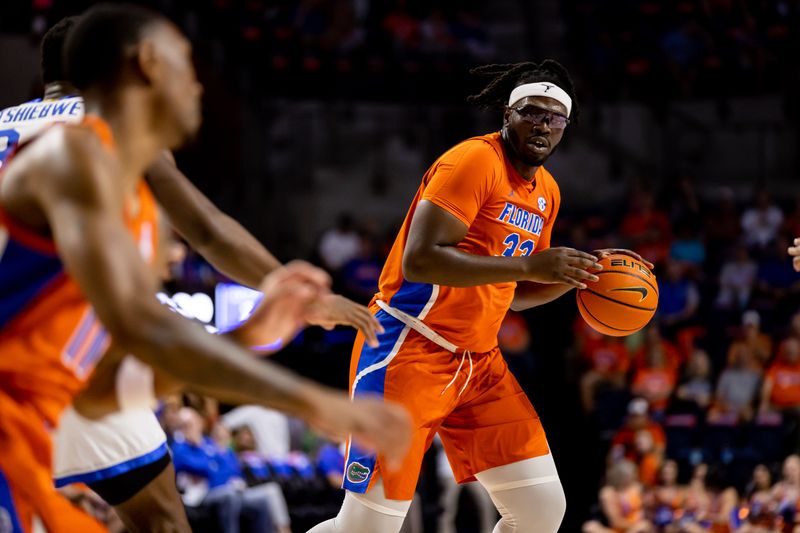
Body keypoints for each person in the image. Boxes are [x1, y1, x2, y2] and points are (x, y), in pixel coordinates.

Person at [0, 5, 411, 531]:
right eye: (183, 63)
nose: (196, 86)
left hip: (70, 377)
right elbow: (210, 232)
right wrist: (307, 392)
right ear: (139, 65)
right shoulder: (93, 143)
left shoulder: (36, 135)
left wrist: (251, 339)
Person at [308, 59, 649, 533]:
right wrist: (531, 265)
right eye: (532, 111)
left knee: (541, 508)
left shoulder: (546, 191)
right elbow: (420, 260)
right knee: (366, 528)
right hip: (410, 350)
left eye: (555, 118)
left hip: (479, 364)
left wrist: (584, 272)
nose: (543, 125)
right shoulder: (473, 161)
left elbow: (515, 292)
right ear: (507, 114)